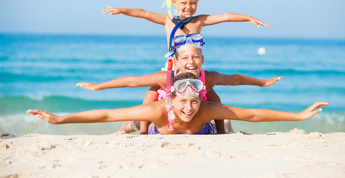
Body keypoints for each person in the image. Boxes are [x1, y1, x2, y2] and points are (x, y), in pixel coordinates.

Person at [76, 41, 283, 134]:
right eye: (185, 58)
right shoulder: (164, 77)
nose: (191, 61)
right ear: (176, 62)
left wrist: (262, 83)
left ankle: (222, 132)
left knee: (215, 99)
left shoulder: (207, 77)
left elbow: (235, 79)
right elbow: (131, 80)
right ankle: (140, 130)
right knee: (150, 92)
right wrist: (99, 87)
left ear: (202, 59)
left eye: (195, 57)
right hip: (166, 115)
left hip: (195, 114)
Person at [27, 73, 328, 135]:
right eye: (182, 101)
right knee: (129, 120)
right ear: (170, 99)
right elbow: (106, 113)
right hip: (162, 128)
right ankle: (134, 128)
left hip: (204, 132)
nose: (188, 107)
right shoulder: (159, 109)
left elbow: (252, 113)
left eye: (194, 101)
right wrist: (59, 119)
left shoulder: (207, 109)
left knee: (231, 117)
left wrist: (299, 116)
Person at [103, 0, 269, 46]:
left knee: (215, 101)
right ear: (173, 2)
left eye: (192, 3)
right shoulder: (167, 20)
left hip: (194, 72)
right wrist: (121, 10)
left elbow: (226, 16)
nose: (188, 7)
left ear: (197, 2)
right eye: (183, 3)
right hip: (172, 71)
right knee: (149, 96)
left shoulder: (200, 20)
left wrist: (248, 18)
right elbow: (143, 13)